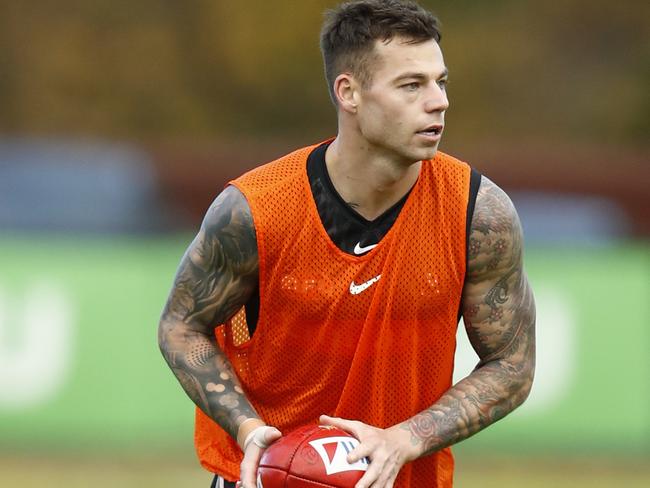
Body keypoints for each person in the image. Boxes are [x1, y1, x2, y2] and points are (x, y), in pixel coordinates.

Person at [158, 1, 536, 487]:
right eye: (411, 85)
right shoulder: (254, 209)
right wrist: (249, 428)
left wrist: (406, 438)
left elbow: (513, 364)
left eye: (440, 82)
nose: (439, 101)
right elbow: (181, 325)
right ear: (349, 93)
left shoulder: (478, 214)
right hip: (262, 480)